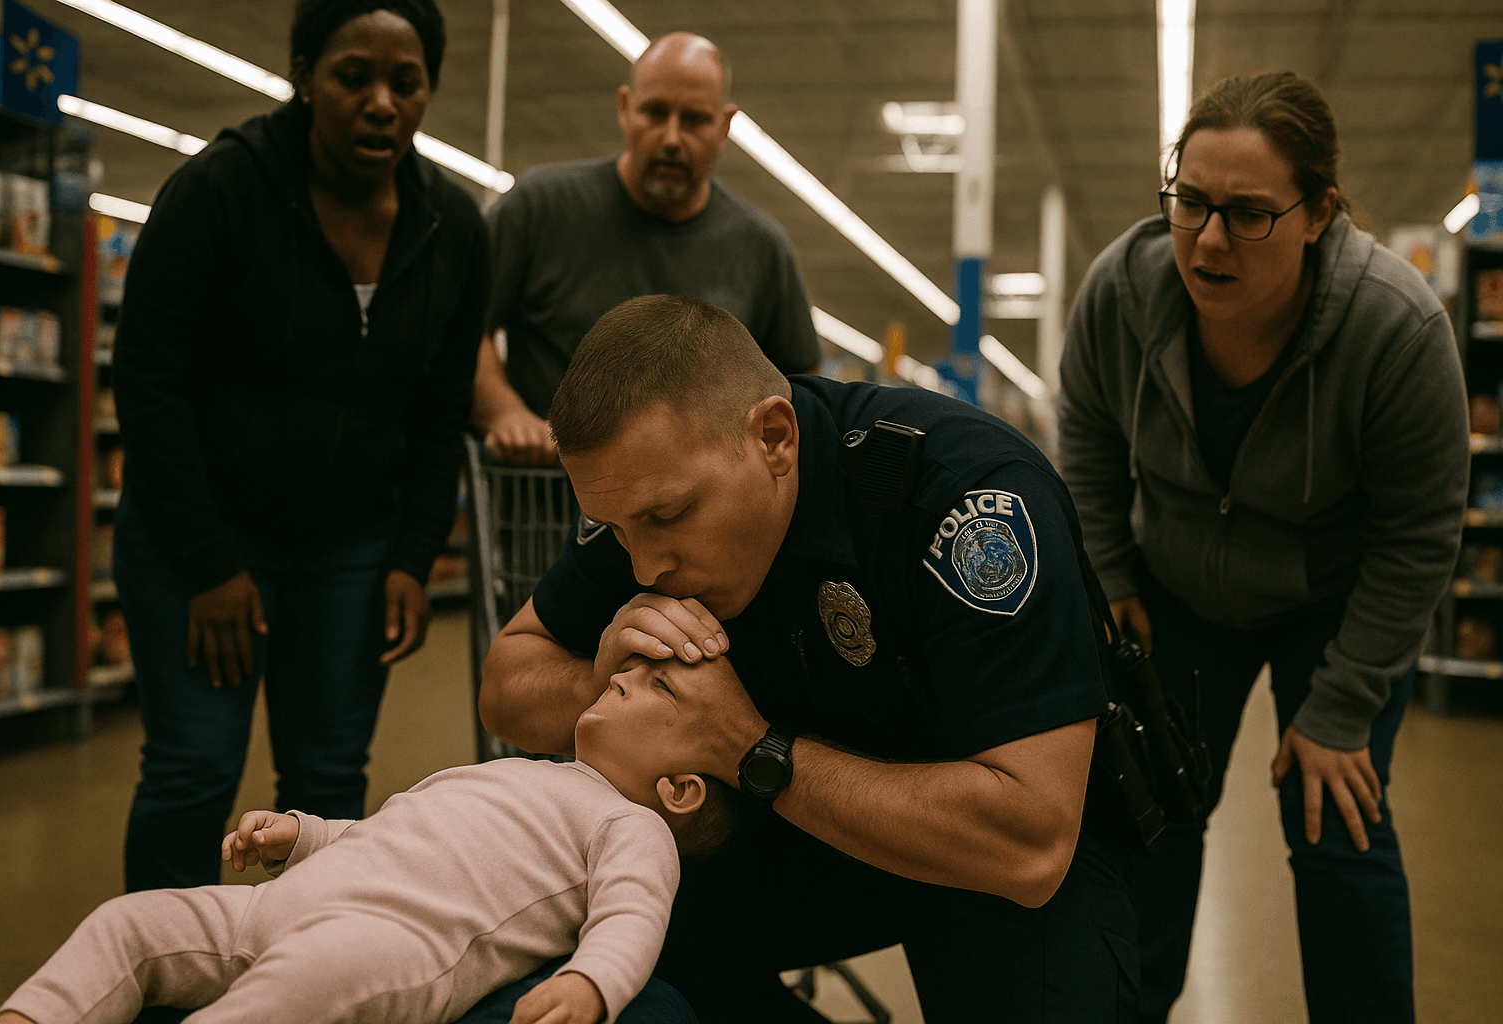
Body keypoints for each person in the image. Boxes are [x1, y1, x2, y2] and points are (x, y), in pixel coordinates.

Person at [476, 295, 1135, 1023]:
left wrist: (747, 746)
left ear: (774, 438)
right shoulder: (642, 496)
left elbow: (1031, 841)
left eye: (669, 517)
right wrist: (605, 677)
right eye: (618, 529)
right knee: (591, 941)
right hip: (796, 827)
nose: (644, 566)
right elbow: (505, 687)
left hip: (983, 846)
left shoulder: (965, 497)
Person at [1057, 70, 1468, 1024]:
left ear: (1319, 213)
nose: (1208, 239)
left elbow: (1418, 536)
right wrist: (1109, 570)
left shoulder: (1395, 328)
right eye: (1190, 202)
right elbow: (1087, 435)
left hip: (1337, 603)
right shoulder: (1123, 290)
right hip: (1175, 592)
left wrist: (1343, 708)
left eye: (1248, 214)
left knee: (1336, 823)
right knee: (1154, 814)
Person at [112, 0, 487, 894]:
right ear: (305, 77)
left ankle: (308, 958)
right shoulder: (219, 191)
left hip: (352, 549)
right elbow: (150, 385)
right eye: (354, 76)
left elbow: (441, 410)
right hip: (197, 535)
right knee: (193, 768)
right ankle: (161, 964)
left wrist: (413, 557)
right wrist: (209, 564)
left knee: (326, 781)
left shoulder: (452, 228)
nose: (382, 102)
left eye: (406, 82)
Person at [0, 656, 742, 1024]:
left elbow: (633, 917)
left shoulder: (633, 826)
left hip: (390, 941)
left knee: (292, 992)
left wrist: (592, 985)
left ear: (680, 789)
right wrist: (303, 836)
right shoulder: (530, 772)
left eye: (660, 687)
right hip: (287, 900)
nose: (628, 672)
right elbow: (388, 834)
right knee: (133, 921)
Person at [472, 31, 822, 466]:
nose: (672, 138)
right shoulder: (538, 207)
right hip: (543, 492)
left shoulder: (762, 248)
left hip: (696, 502)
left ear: (725, 126)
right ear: (625, 108)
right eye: (655, 112)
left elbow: (801, 386)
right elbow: (464, 323)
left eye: (694, 119)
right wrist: (505, 412)